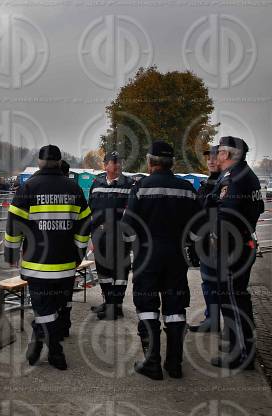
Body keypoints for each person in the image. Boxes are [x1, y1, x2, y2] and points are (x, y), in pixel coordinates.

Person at [4, 145, 91, 370]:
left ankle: (55, 351)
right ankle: (40, 341)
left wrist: (11, 253)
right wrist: (79, 253)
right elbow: (84, 226)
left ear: (40, 162)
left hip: (36, 265)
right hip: (65, 265)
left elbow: (14, 225)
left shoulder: (28, 188)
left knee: (43, 307)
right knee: (54, 306)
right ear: (60, 161)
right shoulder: (74, 189)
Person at [122, 141, 201, 380]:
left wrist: (137, 245)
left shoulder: (141, 187)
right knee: (175, 309)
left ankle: (152, 363)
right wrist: (189, 244)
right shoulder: (187, 188)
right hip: (176, 257)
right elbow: (198, 228)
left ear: (150, 162)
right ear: (172, 162)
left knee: (147, 308)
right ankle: (175, 364)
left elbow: (127, 227)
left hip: (148, 257)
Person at [202, 136, 264, 370]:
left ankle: (243, 355)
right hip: (240, 244)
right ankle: (239, 345)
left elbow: (225, 216)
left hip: (232, 249)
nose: (215, 156)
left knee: (234, 300)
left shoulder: (236, 178)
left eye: (218, 152)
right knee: (235, 298)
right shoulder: (243, 175)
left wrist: (212, 204)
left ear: (226, 155)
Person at [88, 151, 134, 320]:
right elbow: (91, 210)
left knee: (119, 273)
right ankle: (109, 302)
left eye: (120, 162)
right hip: (100, 236)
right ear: (105, 164)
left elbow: (132, 212)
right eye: (114, 162)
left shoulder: (129, 184)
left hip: (120, 236)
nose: (118, 165)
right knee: (103, 271)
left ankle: (116, 306)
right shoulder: (97, 182)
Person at [189, 146, 222, 333]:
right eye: (209, 157)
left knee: (220, 286)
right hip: (204, 244)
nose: (210, 160)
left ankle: (224, 326)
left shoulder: (224, 183)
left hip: (218, 244)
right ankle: (212, 320)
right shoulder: (208, 183)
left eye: (215, 157)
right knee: (208, 283)